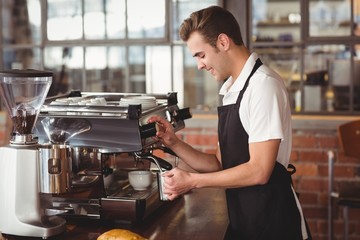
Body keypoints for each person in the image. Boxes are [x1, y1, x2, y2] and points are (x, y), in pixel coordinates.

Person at [148, 6, 311, 240]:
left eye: (201, 55)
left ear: (223, 42)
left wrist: (193, 181)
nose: (199, 65)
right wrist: (173, 142)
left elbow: (259, 171)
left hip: (274, 222)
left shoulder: (263, 86)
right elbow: (218, 163)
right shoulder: (233, 89)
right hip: (244, 219)